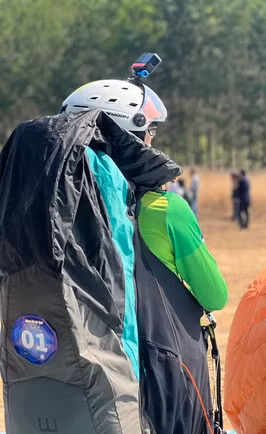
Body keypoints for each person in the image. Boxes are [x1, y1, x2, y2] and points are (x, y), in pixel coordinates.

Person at [61, 76, 227, 313]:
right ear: (127, 138)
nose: (152, 141)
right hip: (143, 347)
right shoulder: (166, 210)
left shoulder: (55, 200)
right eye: (150, 130)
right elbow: (214, 295)